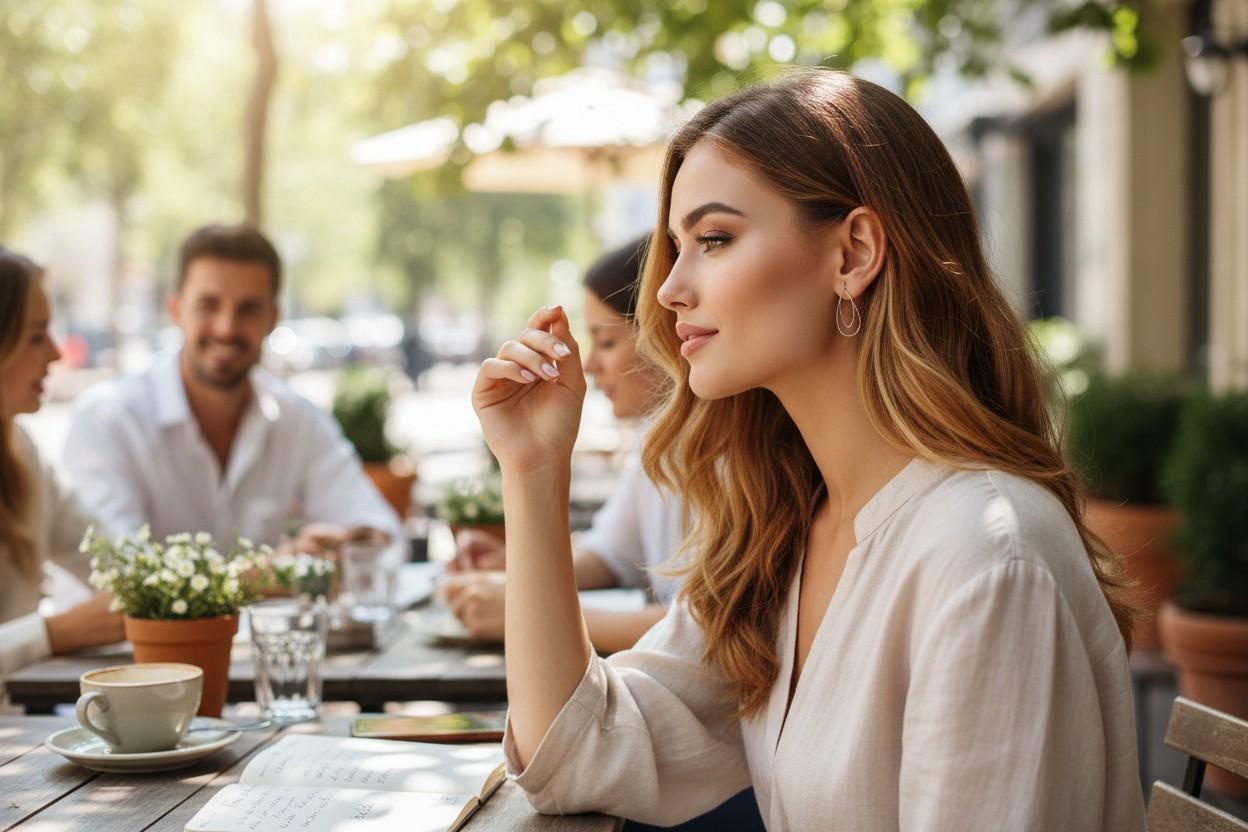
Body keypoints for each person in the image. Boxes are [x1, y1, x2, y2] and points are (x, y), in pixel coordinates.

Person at [470, 70, 1146, 830]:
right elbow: (579, 756)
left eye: (714, 239)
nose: (668, 289)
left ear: (853, 252)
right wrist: (532, 473)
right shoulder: (789, 527)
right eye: (675, 246)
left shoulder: (985, 558)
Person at [64, 224, 399, 552]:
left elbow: (382, 533)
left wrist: (353, 544)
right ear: (175, 310)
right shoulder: (109, 420)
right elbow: (117, 572)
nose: (226, 328)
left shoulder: (298, 420)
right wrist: (277, 573)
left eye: (248, 309)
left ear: (273, 318)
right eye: (208, 305)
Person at [445, 238, 681, 654]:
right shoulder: (658, 436)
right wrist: (514, 561)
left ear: (670, 331)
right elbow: (611, 552)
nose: (589, 364)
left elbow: (713, 634)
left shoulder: (734, 456)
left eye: (606, 342)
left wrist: (520, 611)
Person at [0, 248, 124, 711]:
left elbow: (113, 558)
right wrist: (53, 633)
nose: (56, 353)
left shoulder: (22, 452)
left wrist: (239, 577)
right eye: (36, 336)